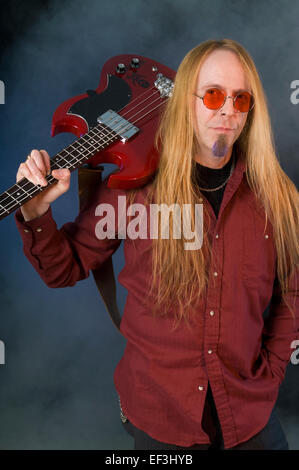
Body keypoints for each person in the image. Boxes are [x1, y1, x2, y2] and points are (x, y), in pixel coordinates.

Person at [14, 39, 298, 450]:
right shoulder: (133, 187)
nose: (227, 110)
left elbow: (293, 288)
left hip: (249, 413)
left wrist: (272, 371)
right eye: (214, 94)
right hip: (160, 419)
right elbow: (64, 268)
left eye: (241, 99)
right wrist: (36, 214)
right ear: (185, 99)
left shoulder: (276, 197)